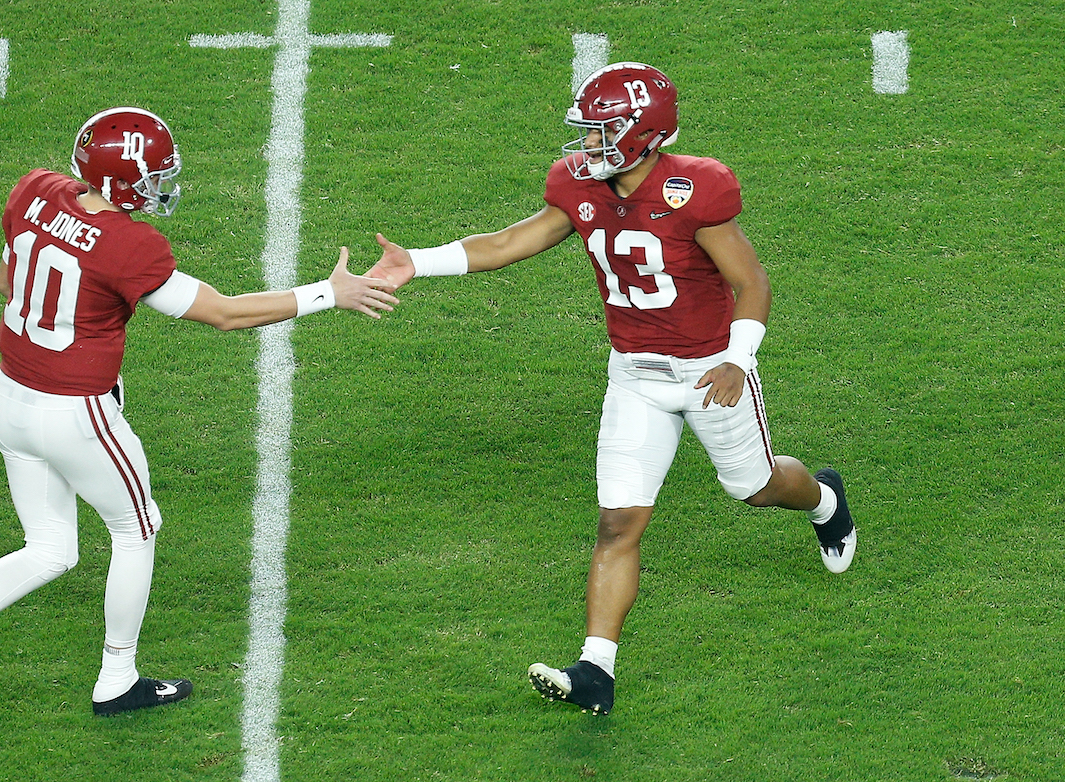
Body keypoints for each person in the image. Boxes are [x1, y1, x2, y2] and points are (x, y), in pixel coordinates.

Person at [365, 63, 855, 716]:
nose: (588, 146)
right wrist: (417, 262)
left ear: (642, 134)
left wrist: (739, 358)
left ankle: (824, 498)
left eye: (602, 132)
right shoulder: (576, 185)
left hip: (710, 368)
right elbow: (514, 240)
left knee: (756, 487)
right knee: (618, 523)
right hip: (635, 374)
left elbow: (752, 281)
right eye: (588, 132)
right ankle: (596, 668)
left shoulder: (694, 188)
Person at [0, 106, 398, 722]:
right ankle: (118, 678)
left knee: (52, 547)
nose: (161, 182)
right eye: (154, 172)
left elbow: (10, 284)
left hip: (10, 400)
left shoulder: (33, 189)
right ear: (120, 180)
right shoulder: (129, 244)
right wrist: (331, 293)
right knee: (136, 529)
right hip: (77, 411)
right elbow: (224, 312)